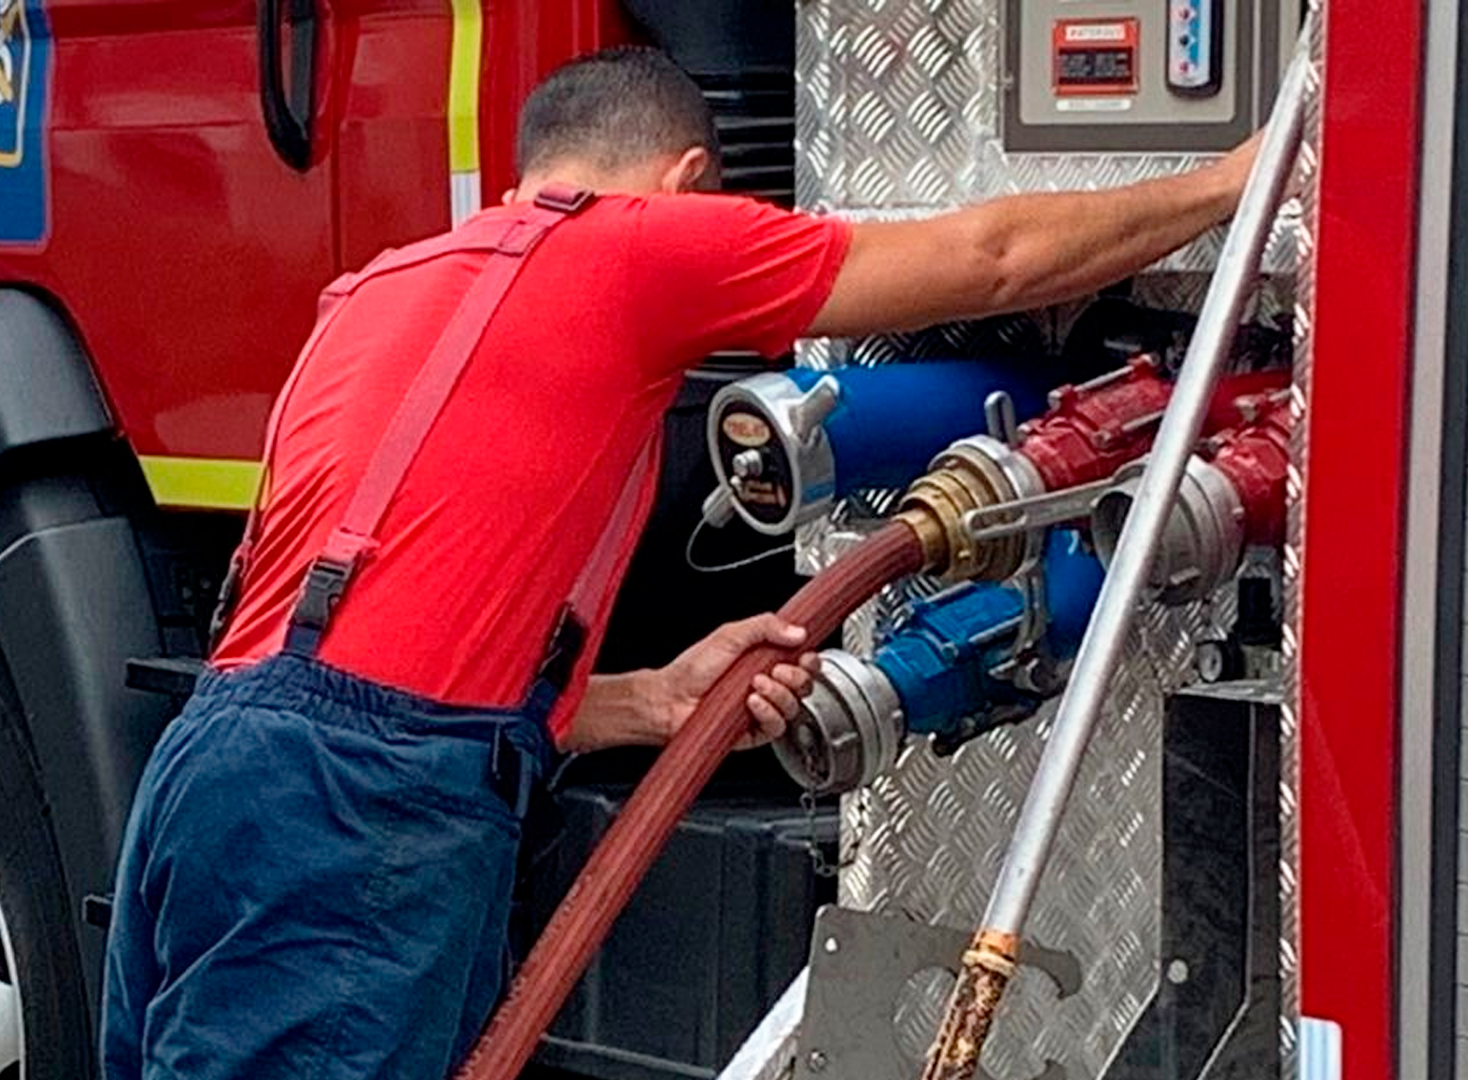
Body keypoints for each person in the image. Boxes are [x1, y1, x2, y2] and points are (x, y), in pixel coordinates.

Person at [101, 45, 1256, 1080]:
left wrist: (651, 702)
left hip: (217, 768)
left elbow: (378, 663)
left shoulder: (375, 289)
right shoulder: (631, 242)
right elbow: (995, 259)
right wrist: (1233, 184)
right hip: (352, 814)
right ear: (692, 182)